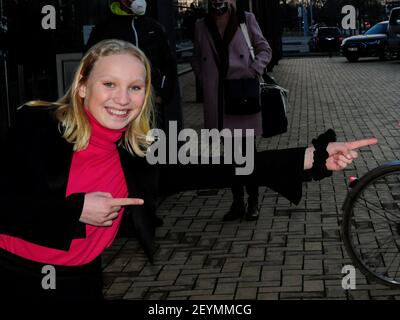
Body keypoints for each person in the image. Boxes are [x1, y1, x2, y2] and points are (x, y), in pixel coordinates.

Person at [0, 39, 377, 300]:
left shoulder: (140, 149)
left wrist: (313, 157)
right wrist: (75, 210)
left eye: (135, 87)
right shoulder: (38, 126)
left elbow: (221, 164)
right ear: (82, 86)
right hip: (15, 275)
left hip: (82, 280)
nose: (122, 99)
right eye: (109, 84)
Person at [86, 0, 180, 229]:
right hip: (117, 109)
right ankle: (123, 217)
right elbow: (90, 66)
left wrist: (161, 95)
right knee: (119, 161)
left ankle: (147, 212)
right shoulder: (104, 29)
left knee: (148, 161)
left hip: (148, 110)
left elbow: (168, 64)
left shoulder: (153, 27)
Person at [192, 0, 272, 222]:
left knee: (247, 154)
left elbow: (265, 49)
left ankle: (253, 201)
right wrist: (205, 78)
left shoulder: (245, 19)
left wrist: (253, 70)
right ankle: (237, 202)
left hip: (241, 93)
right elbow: (197, 57)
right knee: (229, 156)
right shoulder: (201, 24)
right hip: (218, 98)